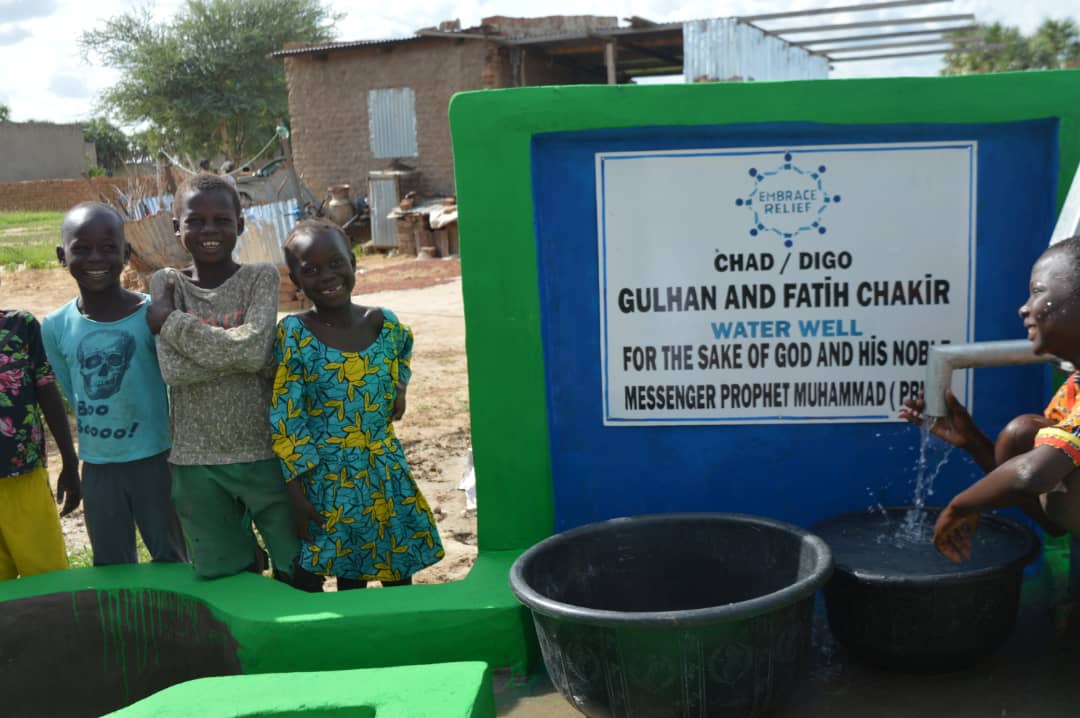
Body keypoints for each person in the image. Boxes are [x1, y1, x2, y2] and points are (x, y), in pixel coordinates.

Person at [271, 219, 444, 591]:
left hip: (383, 473)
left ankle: (398, 643)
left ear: (352, 262)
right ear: (296, 281)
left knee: (398, 572)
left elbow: (403, 349)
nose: (327, 276)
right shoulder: (295, 335)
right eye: (311, 270)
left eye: (336, 263)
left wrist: (400, 387)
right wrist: (295, 494)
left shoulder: (384, 323)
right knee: (345, 580)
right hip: (328, 481)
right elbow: (287, 417)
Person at [146, 173, 300, 581]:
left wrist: (173, 324)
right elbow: (172, 370)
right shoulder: (167, 283)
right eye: (195, 220)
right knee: (227, 577)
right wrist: (237, 350)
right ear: (176, 226)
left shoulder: (260, 277)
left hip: (265, 452)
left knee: (297, 570)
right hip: (197, 462)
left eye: (222, 220)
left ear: (241, 224)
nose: (209, 230)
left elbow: (253, 351)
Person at [901, 235, 1080, 563]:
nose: (1024, 307)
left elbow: (1033, 475)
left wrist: (960, 506)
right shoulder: (1073, 389)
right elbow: (1044, 502)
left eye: (1038, 292)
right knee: (1022, 435)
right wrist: (973, 442)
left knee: (1037, 457)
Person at [42, 202, 186, 567]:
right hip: (99, 469)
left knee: (174, 559)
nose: (96, 258)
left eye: (108, 248)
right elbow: (72, 390)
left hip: (156, 463)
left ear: (126, 253)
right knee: (112, 568)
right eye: (82, 248)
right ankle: (127, 627)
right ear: (63, 256)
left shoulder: (153, 315)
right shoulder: (55, 326)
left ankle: (175, 626)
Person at [0, 276, 80, 580]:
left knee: (48, 582)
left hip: (24, 477)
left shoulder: (20, 327)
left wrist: (70, 463)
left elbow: (47, 390)